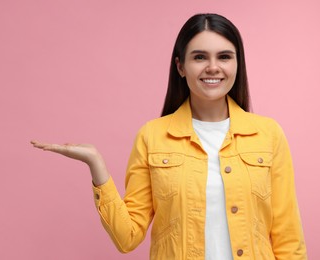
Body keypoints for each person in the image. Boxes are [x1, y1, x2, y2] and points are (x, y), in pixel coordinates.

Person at [31, 13, 307, 259]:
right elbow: (127, 238)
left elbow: (288, 239)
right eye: (199, 57)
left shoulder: (268, 134)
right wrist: (96, 164)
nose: (213, 67)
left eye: (224, 56)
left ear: (237, 64)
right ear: (180, 66)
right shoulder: (152, 136)